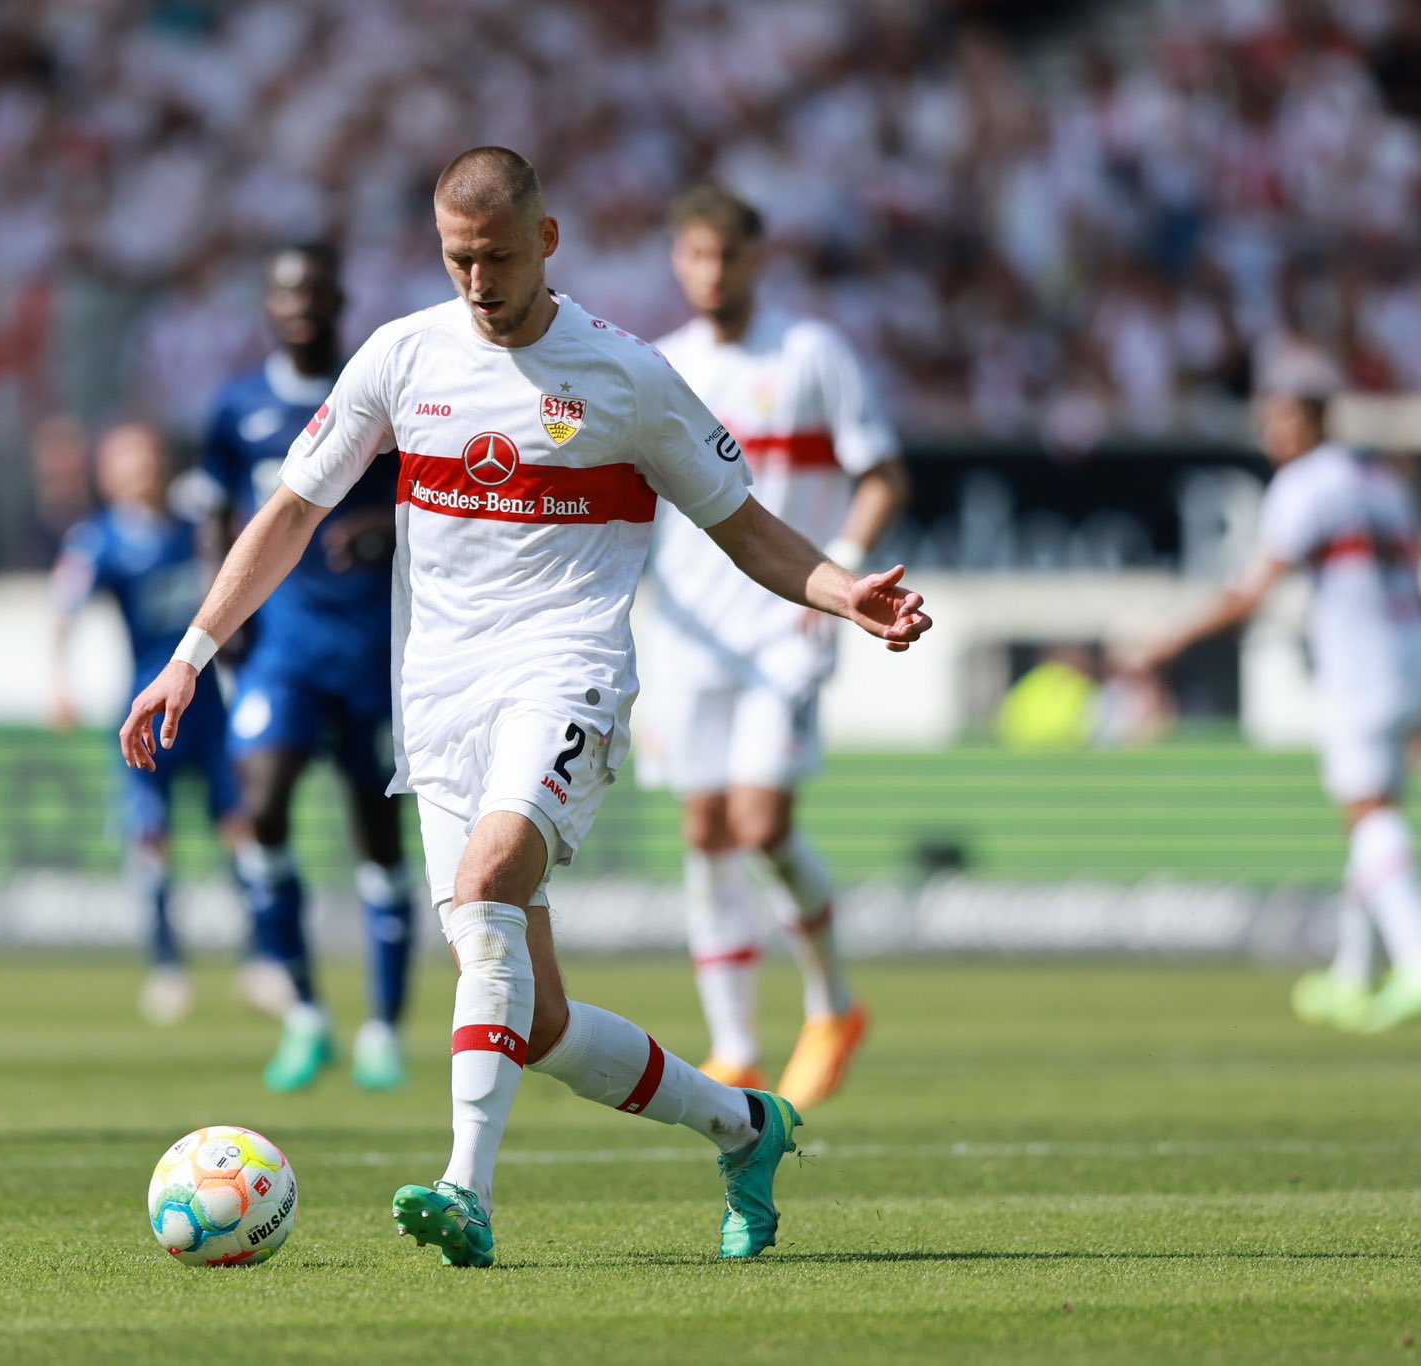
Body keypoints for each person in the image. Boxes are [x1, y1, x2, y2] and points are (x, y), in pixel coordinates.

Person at [121, 147, 932, 1266]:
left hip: (566, 673)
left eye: (497, 256)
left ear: (546, 242)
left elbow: (743, 522)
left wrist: (846, 594)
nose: (476, 280)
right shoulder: (403, 356)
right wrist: (191, 653)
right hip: (440, 703)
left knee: (487, 878)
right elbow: (290, 512)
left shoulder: (624, 376)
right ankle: (745, 1125)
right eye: (457, 258)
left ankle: (466, 1191)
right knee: (534, 1020)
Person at [643, 183, 910, 1108]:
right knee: (705, 831)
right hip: (687, 633)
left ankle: (834, 1003)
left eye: (729, 257)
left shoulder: (810, 353)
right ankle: (732, 1049)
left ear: (758, 259)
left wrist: (843, 575)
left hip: (786, 625)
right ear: (679, 262)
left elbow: (881, 475)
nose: (712, 274)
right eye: (697, 257)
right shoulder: (659, 365)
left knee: (762, 823)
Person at [1138, 360, 1421, 1032]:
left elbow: (1252, 592)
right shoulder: (1380, 482)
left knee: (1369, 815)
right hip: (1412, 652)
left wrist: (1170, 636)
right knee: (1370, 817)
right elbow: (1416, 583)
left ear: (1313, 422)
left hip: (1361, 661)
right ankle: (1350, 976)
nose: (1274, 434)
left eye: (1284, 421)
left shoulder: (1303, 486)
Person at [198, 244, 416, 1093]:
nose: (298, 305)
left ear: (337, 299)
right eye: (283, 291)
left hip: (370, 644)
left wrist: (385, 533)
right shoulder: (236, 409)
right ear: (267, 303)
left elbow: (434, 502)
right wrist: (224, 625)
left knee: (375, 828)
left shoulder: (377, 394)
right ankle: (304, 1013)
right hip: (281, 643)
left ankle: (384, 1030)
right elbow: (216, 519)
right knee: (261, 804)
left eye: (313, 291)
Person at [52, 422, 275, 1025]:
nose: (136, 472)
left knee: (240, 830)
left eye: (144, 459)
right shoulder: (97, 541)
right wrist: (61, 683)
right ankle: (167, 965)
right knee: (150, 838)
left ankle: (263, 958)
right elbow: (63, 611)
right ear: (107, 474)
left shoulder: (193, 530)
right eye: (123, 462)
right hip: (145, 711)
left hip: (206, 709)